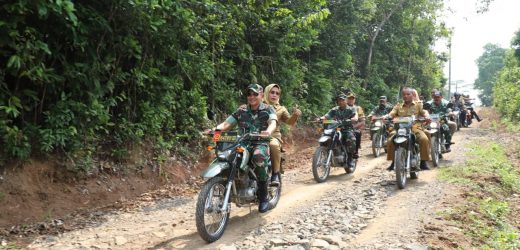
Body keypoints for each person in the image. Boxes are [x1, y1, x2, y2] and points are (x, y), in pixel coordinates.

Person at [211, 84, 277, 213]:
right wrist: (215, 130)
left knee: (258, 157)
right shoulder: (241, 110)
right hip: (242, 142)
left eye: (255, 94)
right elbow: (226, 124)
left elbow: (273, 122)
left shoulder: (268, 109)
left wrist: (268, 131)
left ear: (262, 95)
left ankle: (263, 197)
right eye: (249, 94)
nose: (251, 97)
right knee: (227, 156)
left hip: (260, 142)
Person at [263, 84, 301, 186]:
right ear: (266, 92)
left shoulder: (281, 109)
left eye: (277, 93)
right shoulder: (257, 104)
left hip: (272, 136)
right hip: (255, 135)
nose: (274, 95)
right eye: (272, 92)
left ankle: (275, 173)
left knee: (274, 145)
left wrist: (295, 115)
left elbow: (289, 122)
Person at [385, 87, 431, 170]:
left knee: (424, 139)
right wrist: (387, 116)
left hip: (415, 127)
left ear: (412, 95)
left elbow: (424, 113)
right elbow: (392, 113)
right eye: (404, 95)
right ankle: (394, 161)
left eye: (408, 94)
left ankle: (423, 162)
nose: (406, 96)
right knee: (390, 139)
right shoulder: (398, 106)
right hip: (400, 128)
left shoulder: (418, 104)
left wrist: (427, 117)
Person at [319, 93, 359, 168]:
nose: (340, 102)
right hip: (336, 128)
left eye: (342, 100)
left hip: (346, 129)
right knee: (325, 135)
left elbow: (355, 116)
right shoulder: (334, 109)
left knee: (351, 139)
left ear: (346, 101)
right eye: (339, 100)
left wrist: (353, 119)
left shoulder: (351, 109)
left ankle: (350, 159)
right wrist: (321, 119)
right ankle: (325, 153)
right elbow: (326, 116)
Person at [346, 93, 364, 158]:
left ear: (354, 100)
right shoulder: (342, 107)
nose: (351, 100)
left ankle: (355, 152)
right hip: (342, 126)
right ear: (346, 99)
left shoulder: (358, 108)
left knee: (357, 133)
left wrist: (355, 126)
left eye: (352, 99)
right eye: (349, 98)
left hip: (354, 126)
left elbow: (362, 121)